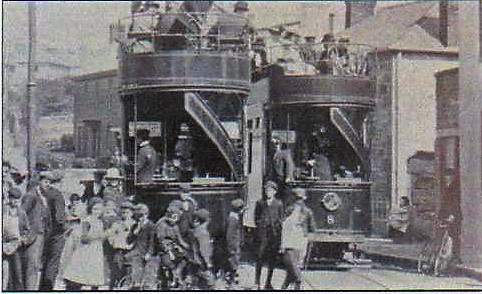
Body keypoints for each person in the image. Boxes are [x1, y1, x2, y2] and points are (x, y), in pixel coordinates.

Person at [63, 197, 107, 290]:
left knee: (94, 278)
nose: (97, 212)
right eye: (95, 209)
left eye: (100, 209)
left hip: (96, 251)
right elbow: (84, 238)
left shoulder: (100, 222)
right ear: (90, 208)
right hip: (85, 251)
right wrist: (100, 235)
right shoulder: (87, 221)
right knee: (78, 276)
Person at [21, 171, 53, 290]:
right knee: (31, 265)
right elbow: (22, 213)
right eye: (45, 181)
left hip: (41, 234)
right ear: (39, 181)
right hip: (33, 235)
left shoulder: (43, 197)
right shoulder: (31, 195)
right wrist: (26, 231)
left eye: (49, 182)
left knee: (34, 265)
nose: (48, 184)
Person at [280, 188, 315, 290]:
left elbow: (282, 224)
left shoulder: (289, 209)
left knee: (293, 266)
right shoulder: (308, 211)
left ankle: (293, 285)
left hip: (291, 241)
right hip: (299, 241)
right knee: (295, 265)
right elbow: (312, 228)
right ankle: (292, 286)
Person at [254, 180, 285, 290]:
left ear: (275, 192)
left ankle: (268, 282)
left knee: (272, 258)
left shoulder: (279, 204)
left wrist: (278, 230)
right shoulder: (260, 203)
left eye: (270, 190)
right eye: (266, 190)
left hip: (274, 234)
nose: (268, 192)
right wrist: (260, 224)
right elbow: (256, 217)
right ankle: (257, 282)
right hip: (262, 234)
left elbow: (281, 219)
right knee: (260, 257)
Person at [39, 171, 67, 291]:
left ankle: (42, 287)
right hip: (57, 233)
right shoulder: (57, 195)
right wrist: (67, 222)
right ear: (59, 182)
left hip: (45, 232)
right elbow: (59, 218)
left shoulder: (45, 194)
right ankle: (48, 287)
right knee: (54, 261)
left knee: (46, 260)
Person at [3, 187, 33, 291]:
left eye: (17, 199)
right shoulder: (3, 210)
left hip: (15, 246)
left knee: (17, 274)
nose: (15, 201)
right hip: (2, 244)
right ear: (9, 198)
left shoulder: (21, 213)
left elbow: (28, 231)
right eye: (13, 199)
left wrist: (22, 241)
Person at [55, 193, 87, 288]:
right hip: (69, 232)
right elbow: (67, 219)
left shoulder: (81, 209)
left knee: (76, 254)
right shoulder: (68, 208)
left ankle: (75, 276)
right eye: (73, 201)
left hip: (77, 232)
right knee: (66, 254)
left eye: (77, 201)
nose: (75, 203)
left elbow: (80, 219)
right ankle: (65, 276)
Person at [156, 203, 189, 289]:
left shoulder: (175, 226)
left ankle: (178, 272)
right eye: (172, 218)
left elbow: (179, 239)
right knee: (169, 262)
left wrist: (186, 247)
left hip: (173, 246)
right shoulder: (162, 225)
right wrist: (169, 252)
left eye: (176, 218)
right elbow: (160, 241)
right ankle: (172, 280)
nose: (174, 221)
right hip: (163, 249)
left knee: (186, 257)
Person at [125, 203, 157, 290]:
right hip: (135, 252)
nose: (140, 218)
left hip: (145, 252)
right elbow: (128, 241)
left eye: (142, 215)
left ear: (146, 214)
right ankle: (134, 284)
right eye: (138, 216)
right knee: (135, 272)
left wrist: (149, 253)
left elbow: (152, 241)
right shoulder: (135, 226)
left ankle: (139, 285)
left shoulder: (151, 225)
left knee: (144, 274)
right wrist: (135, 232)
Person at [107, 201, 136, 289]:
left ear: (132, 213)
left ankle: (126, 285)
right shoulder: (117, 223)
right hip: (118, 249)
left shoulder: (134, 224)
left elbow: (136, 236)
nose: (125, 214)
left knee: (128, 268)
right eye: (123, 212)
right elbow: (110, 235)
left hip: (129, 249)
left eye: (128, 212)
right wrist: (114, 243)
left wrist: (132, 245)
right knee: (116, 268)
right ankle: (113, 286)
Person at [439, 172, 462, 264]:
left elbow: (455, 203)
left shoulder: (454, 188)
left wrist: (453, 215)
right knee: (449, 236)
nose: (447, 178)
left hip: (453, 216)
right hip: (447, 215)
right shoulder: (447, 187)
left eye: (449, 177)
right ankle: (450, 255)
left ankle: (455, 256)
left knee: (454, 236)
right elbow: (444, 203)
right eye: (446, 177)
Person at [191, 209, 215, 290]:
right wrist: (208, 262)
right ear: (207, 219)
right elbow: (203, 250)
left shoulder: (197, 230)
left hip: (196, 260)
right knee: (210, 282)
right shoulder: (203, 233)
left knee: (198, 283)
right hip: (202, 262)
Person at [225, 198, 246, 289]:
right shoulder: (233, 219)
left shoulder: (235, 217)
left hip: (235, 244)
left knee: (234, 263)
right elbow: (229, 235)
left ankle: (232, 280)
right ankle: (231, 283)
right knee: (233, 263)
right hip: (233, 245)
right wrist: (231, 248)